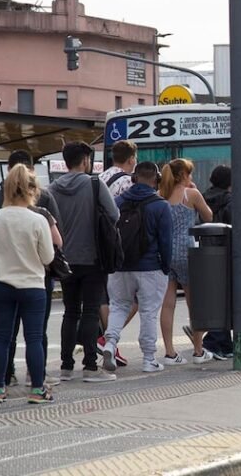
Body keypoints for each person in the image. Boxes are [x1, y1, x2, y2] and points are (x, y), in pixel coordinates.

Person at [0, 150, 62, 387]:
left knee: (1, 338)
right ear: (32, 188)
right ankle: (37, 389)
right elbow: (49, 256)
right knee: (35, 338)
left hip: (0, 284)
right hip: (32, 285)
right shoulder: (39, 218)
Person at [49, 141, 119, 383]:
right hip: (92, 257)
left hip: (65, 260)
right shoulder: (94, 183)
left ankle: (66, 366)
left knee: (70, 312)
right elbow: (114, 214)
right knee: (90, 311)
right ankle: (90, 366)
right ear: (85, 161)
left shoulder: (53, 188)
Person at [101, 162, 172, 374]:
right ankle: (149, 359)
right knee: (149, 311)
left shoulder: (117, 202)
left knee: (119, 306)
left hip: (120, 267)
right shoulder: (160, 205)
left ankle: (110, 343)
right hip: (150, 267)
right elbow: (165, 242)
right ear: (156, 179)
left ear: (134, 178)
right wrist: (165, 268)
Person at [157, 158, 214, 365]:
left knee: (168, 303)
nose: (191, 177)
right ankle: (198, 351)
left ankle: (170, 352)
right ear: (183, 175)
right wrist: (195, 191)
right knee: (194, 303)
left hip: (165, 251)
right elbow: (208, 217)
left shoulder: (160, 196)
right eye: (189, 173)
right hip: (187, 250)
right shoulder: (191, 194)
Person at [97, 139, 138, 369]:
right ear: (131, 159)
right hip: (119, 244)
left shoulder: (100, 178)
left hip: (99, 242)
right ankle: (108, 339)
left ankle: (108, 341)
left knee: (105, 295)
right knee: (131, 298)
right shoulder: (127, 183)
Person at [198, 165, 234, 359]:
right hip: (226, 252)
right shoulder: (230, 201)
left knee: (215, 296)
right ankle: (215, 340)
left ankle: (224, 342)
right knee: (227, 298)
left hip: (206, 251)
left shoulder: (203, 197)